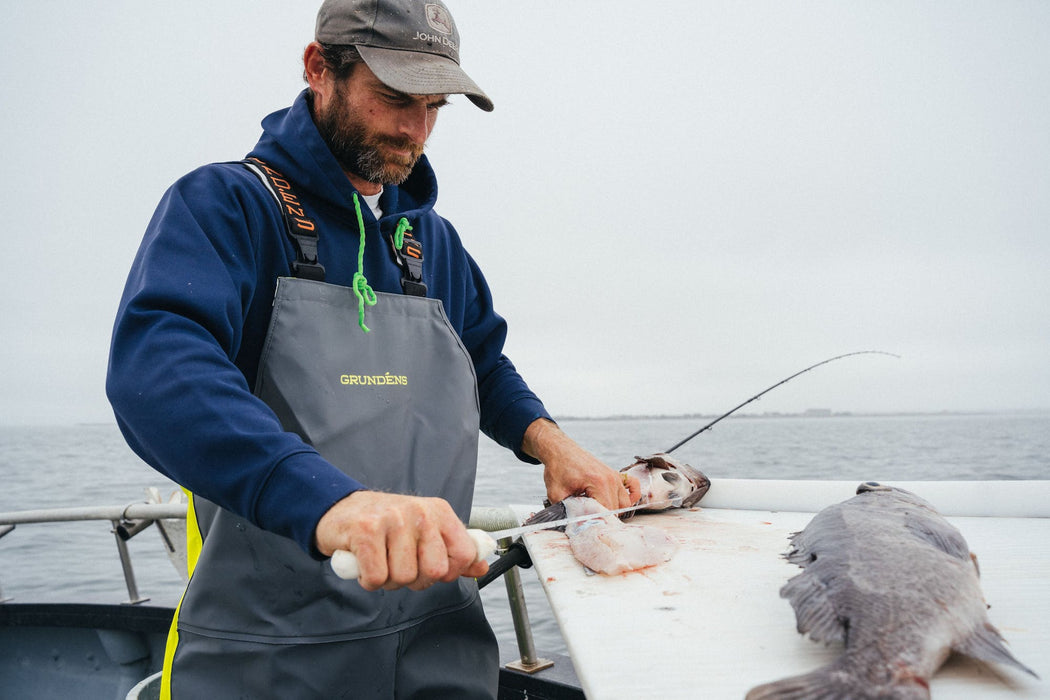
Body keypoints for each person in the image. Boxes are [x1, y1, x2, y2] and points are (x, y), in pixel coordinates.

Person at [106, 0, 640, 697]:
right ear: (318, 67)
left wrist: (549, 442)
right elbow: (160, 375)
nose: (416, 128)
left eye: (434, 105)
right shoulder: (226, 207)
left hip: (441, 644)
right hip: (271, 657)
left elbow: (483, 360)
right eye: (393, 97)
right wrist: (333, 504)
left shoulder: (430, 241)